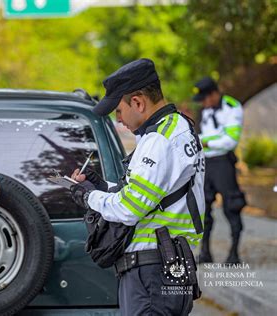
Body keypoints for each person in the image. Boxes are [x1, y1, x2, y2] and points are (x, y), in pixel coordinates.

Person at [70, 59, 205, 315]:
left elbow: (130, 209)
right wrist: (102, 185)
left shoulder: (159, 140)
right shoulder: (179, 128)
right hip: (168, 266)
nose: (119, 121)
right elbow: (154, 195)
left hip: (151, 274)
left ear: (138, 102)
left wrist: (89, 196)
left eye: (118, 111)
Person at [193, 76, 246, 264]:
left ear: (214, 94)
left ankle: (234, 253)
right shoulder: (206, 110)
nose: (204, 104)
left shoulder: (232, 107)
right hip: (206, 163)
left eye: (205, 99)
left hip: (223, 162)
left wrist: (206, 142)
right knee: (203, 208)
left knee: (232, 206)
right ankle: (205, 251)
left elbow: (230, 140)